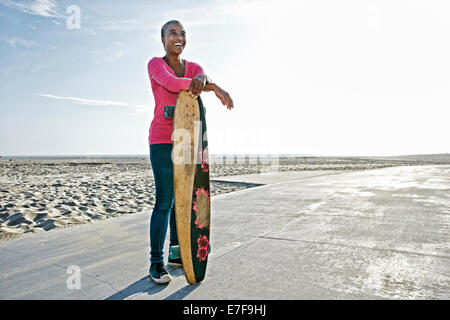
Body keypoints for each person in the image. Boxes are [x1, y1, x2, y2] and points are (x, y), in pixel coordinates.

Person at [147, 20, 234, 284]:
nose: (179, 37)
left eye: (183, 33)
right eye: (173, 33)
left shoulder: (194, 68)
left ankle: (177, 252)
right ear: (163, 39)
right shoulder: (155, 64)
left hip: (187, 139)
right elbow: (172, 84)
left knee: (184, 199)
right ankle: (155, 263)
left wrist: (204, 79)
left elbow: (202, 76)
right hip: (162, 139)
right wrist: (213, 87)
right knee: (165, 200)